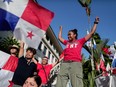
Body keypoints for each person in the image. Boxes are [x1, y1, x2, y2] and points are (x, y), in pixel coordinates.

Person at [56, 17, 99, 87]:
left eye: (70, 34)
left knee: (77, 84)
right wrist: (60, 30)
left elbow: (91, 33)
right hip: (65, 64)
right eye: (68, 34)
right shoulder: (66, 42)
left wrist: (96, 23)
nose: (68, 36)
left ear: (75, 35)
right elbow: (59, 38)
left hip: (75, 64)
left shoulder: (80, 41)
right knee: (60, 83)